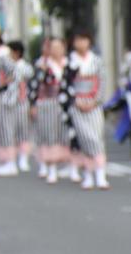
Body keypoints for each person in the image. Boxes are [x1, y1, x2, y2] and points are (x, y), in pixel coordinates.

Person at [29, 36, 73, 184]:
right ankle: (51, 167)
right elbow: (34, 86)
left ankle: (72, 165)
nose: (56, 50)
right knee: (49, 134)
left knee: (68, 134)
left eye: (58, 47)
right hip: (47, 103)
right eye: (52, 47)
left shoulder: (70, 64)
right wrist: (33, 104)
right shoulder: (43, 66)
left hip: (67, 104)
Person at [68, 32, 109, 190]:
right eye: (78, 39)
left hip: (94, 104)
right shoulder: (70, 62)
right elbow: (66, 84)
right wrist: (76, 100)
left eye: (84, 39)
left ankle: (100, 173)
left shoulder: (97, 61)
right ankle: (88, 173)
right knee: (84, 138)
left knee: (96, 137)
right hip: (77, 104)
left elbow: (102, 81)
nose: (81, 43)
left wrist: (95, 100)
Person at [0, 31, 24, 177]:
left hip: (4, 95)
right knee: (1, 127)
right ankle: (7, 160)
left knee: (6, 127)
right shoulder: (0, 55)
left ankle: (10, 161)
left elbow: (15, 72)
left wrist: (4, 85)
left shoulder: (2, 55)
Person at [8, 41, 35, 174]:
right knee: (10, 131)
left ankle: (23, 158)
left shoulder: (25, 67)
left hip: (22, 101)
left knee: (23, 130)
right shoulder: (6, 66)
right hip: (8, 102)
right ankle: (11, 159)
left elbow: (30, 85)